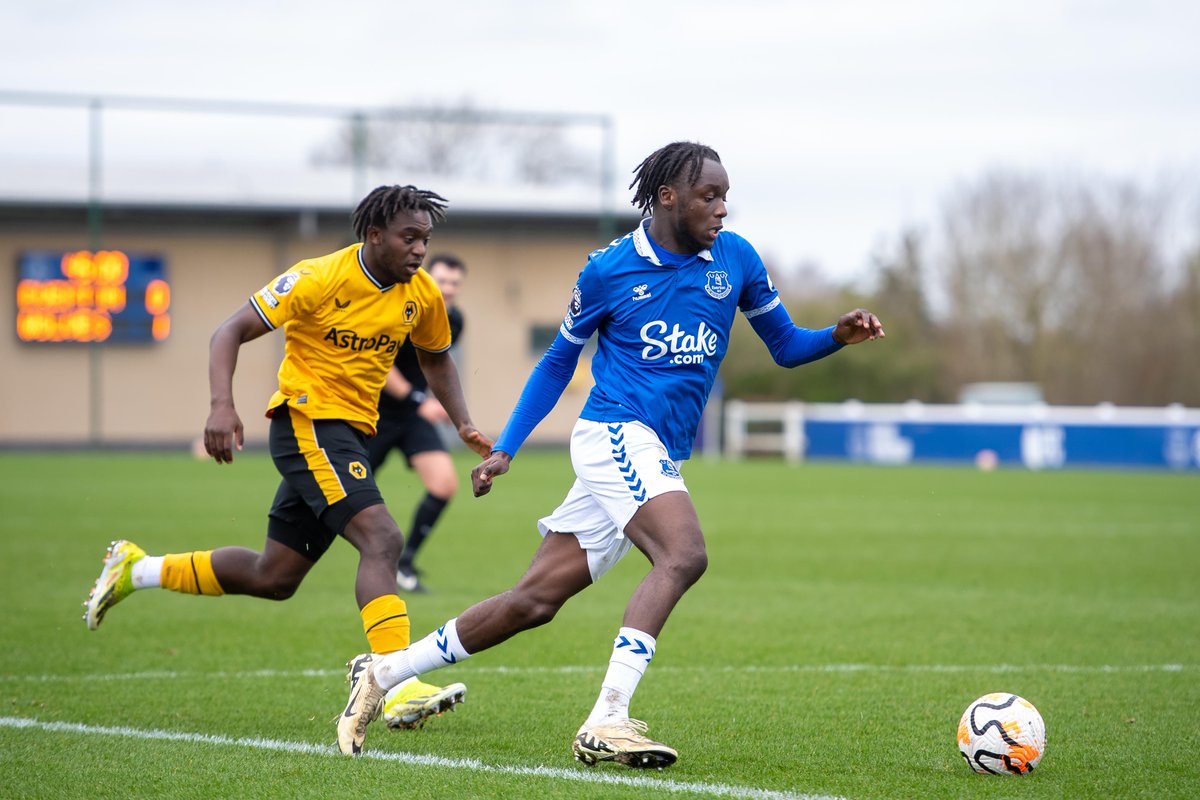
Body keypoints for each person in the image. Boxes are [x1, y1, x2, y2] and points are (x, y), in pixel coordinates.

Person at [335, 142, 886, 764]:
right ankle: (608, 719)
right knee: (683, 554)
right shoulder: (610, 268)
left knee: (533, 602)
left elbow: (786, 346)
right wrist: (506, 448)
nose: (723, 208)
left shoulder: (736, 258)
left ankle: (383, 674)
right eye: (711, 196)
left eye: (727, 196)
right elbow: (557, 361)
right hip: (615, 433)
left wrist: (837, 336)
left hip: (654, 449)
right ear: (668, 197)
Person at [82, 185, 494, 753]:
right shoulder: (316, 277)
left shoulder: (419, 293)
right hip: (307, 423)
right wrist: (221, 405)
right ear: (373, 235)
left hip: (351, 432)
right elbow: (229, 331)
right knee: (382, 537)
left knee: (274, 576)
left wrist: (464, 422)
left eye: (426, 238)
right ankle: (394, 680)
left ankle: (137, 569)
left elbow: (436, 357)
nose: (421, 249)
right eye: (410, 237)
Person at [367, 253, 468, 593]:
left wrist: (443, 405)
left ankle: (403, 565)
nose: (448, 289)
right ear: (425, 278)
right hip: (373, 413)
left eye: (455, 283)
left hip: (412, 416)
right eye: (442, 281)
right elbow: (379, 366)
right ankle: (296, 552)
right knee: (340, 496)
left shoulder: (454, 319)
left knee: (444, 484)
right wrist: (418, 399)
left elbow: (436, 366)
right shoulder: (401, 306)